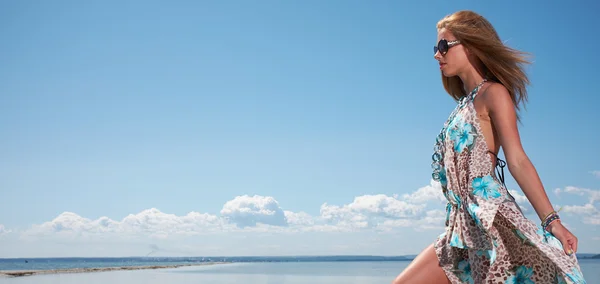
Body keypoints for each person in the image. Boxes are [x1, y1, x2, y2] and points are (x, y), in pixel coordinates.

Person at [392, 10, 586, 283]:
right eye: (436, 48)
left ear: (470, 45)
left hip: (491, 225)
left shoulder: (493, 93)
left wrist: (552, 222)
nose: (437, 54)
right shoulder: (462, 105)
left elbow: (517, 160)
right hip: (460, 229)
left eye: (444, 46)